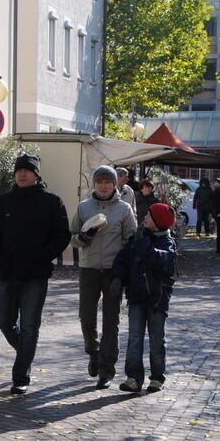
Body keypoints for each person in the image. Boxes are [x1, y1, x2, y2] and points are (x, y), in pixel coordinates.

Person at [0, 153, 71, 394]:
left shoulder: (52, 202)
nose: (22, 174)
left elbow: (62, 235)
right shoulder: (3, 202)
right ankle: (25, 350)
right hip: (8, 271)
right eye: (19, 170)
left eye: (28, 170)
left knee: (30, 325)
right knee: (3, 321)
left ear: (37, 175)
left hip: (36, 273)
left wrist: (44, 256)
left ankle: (21, 375)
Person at [70, 165, 138, 389]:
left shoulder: (124, 209)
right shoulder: (83, 207)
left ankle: (107, 369)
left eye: (107, 182)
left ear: (115, 183)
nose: (104, 186)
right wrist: (83, 237)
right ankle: (93, 351)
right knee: (86, 317)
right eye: (99, 182)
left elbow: (131, 241)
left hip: (113, 271)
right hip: (89, 268)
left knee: (111, 321)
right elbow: (72, 238)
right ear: (94, 184)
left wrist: (125, 270)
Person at [112, 203, 176, 394]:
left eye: (148, 216)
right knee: (134, 338)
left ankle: (157, 377)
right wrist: (117, 277)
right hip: (137, 297)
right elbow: (123, 259)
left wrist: (142, 242)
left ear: (157, 222)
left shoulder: (167, 243)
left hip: (157, 299)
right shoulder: (137, 239)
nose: (144, 218)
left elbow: (156, 260)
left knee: (157, 340)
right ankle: (133, 378)